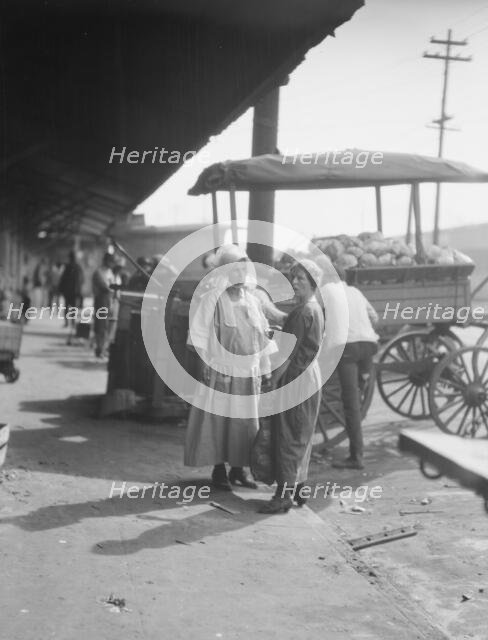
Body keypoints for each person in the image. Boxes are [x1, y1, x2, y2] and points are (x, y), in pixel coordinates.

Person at [184, 244, 274, 491]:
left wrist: (264, 367)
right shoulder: (214, 298)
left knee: (245, 424)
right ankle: (219, 470)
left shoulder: (252, 300)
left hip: (249, 373)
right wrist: (206, 364)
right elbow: (199, 335)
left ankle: (239, 469)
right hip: (222, 370)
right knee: (220, 422)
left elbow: (261, 337)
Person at [259, 259, 325, 514]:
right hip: (309, 376)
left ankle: (283, 496)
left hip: (296, 379)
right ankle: (299, 488)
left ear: (312, 283)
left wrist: (272, 383)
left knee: (289, 434)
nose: (295, 282)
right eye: (293, 277)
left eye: (301, 279)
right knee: (301, 433)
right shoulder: (314, 308)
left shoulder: (302, 312)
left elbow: (287, 355)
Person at [331, 265, 379, 470]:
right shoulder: (356, 291)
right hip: (368, 346)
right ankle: (363, 380)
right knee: (357, 397)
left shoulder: (327, 292)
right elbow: (374, 317)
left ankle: (356, 456)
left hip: (348, 349)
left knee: (351, 403)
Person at [92, 252, 115, 358]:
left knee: (107, 327)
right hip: (101, 301)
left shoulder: (110, 272)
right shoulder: (99, 272)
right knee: (100, 326)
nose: (111, 263)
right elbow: (104, 287)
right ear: (105, 261)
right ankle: (99, 348)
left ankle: (103, 348)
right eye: (109, 261)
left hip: (109, 301)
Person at [59, 250, 84, 327]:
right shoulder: (78, 267)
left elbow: (62, 279)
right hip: (75, 291)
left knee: (67, 306)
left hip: (68, 291)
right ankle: (72, 322)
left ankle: (67, 323)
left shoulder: (67, 267)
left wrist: (61, 289)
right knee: (73, 307)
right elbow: (82, 279)